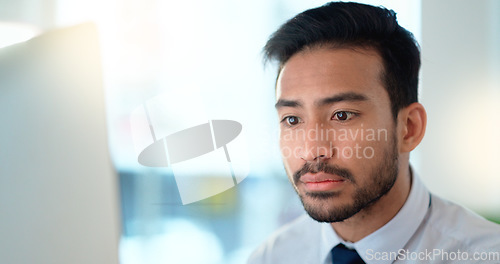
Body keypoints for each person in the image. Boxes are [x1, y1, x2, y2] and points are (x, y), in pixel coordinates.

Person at [248, 2, 500, 264]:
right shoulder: (272, 257)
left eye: (342, 115)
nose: (312, 150)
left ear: (409, 128)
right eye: (292, 119)